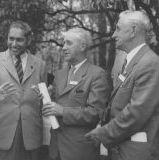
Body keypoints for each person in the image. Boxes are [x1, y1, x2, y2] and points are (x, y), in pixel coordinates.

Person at [85, 10, 159, 160]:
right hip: (120, 149)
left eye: (118, 29)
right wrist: (103, 123)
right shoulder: (126, 60)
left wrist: (103, 133)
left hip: (135, 153)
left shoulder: (150, 63)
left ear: (133, 30)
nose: (113, 35)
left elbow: (136, 112)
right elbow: (116, 102)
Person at [0, 20, 47, 160]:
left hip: (32, 138)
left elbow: (44, 103)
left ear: (28, 40)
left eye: (19, 40)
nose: (14, 44)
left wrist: (43, 101)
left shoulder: (40, 65)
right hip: (2, 136)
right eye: (11, 39)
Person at [42, 28, 111, 160]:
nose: (63, 47)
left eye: (69, 43)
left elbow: (96, 113)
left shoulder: (97, 74)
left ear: (83, 46)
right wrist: (45, 99)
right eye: (63, 43)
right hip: (55, 148)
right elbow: (55, 105)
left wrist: (63, 111)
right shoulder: (60, 74)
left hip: (79, 150)